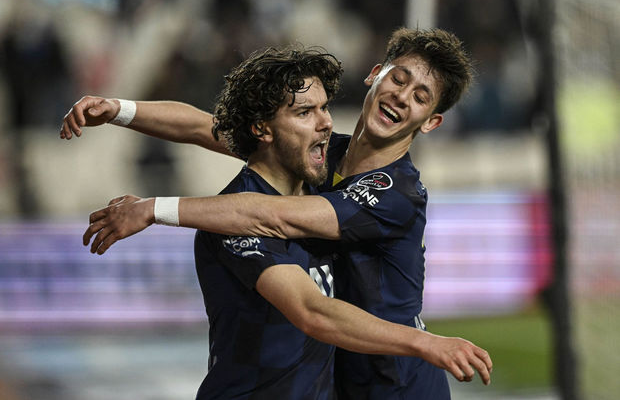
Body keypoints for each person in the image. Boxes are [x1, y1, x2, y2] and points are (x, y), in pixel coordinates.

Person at [62, 29, 492, 399]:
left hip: (396, 384)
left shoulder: (395, 192)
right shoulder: (323, 155)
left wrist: (154, 209)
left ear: (430, 122)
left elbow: (276, 216)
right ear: (375, 74)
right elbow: (203, 126)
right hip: (343, 377)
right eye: (398, 78)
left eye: (420, 97)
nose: (401, 96)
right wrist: (118, 109)